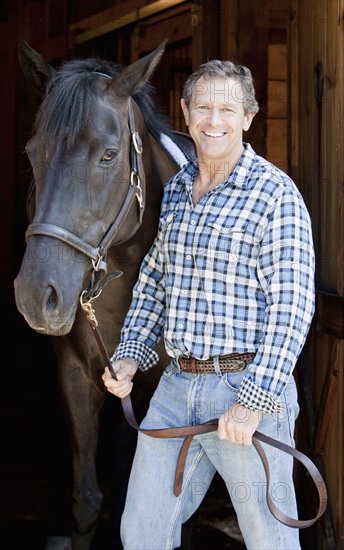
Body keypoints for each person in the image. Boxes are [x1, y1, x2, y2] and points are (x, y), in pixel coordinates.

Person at [102, 59, 315, 549]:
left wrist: (255, 402)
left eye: (226, 108)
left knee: (270, 541)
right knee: (142, 535)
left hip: (246, 389)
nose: (213, 120)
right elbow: (155, 281)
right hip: (176, 388)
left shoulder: (274, 194)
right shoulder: (177, 191)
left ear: (248, 117)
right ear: (185, 111)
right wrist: (131, 355)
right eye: (203, 107)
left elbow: (292, 308)